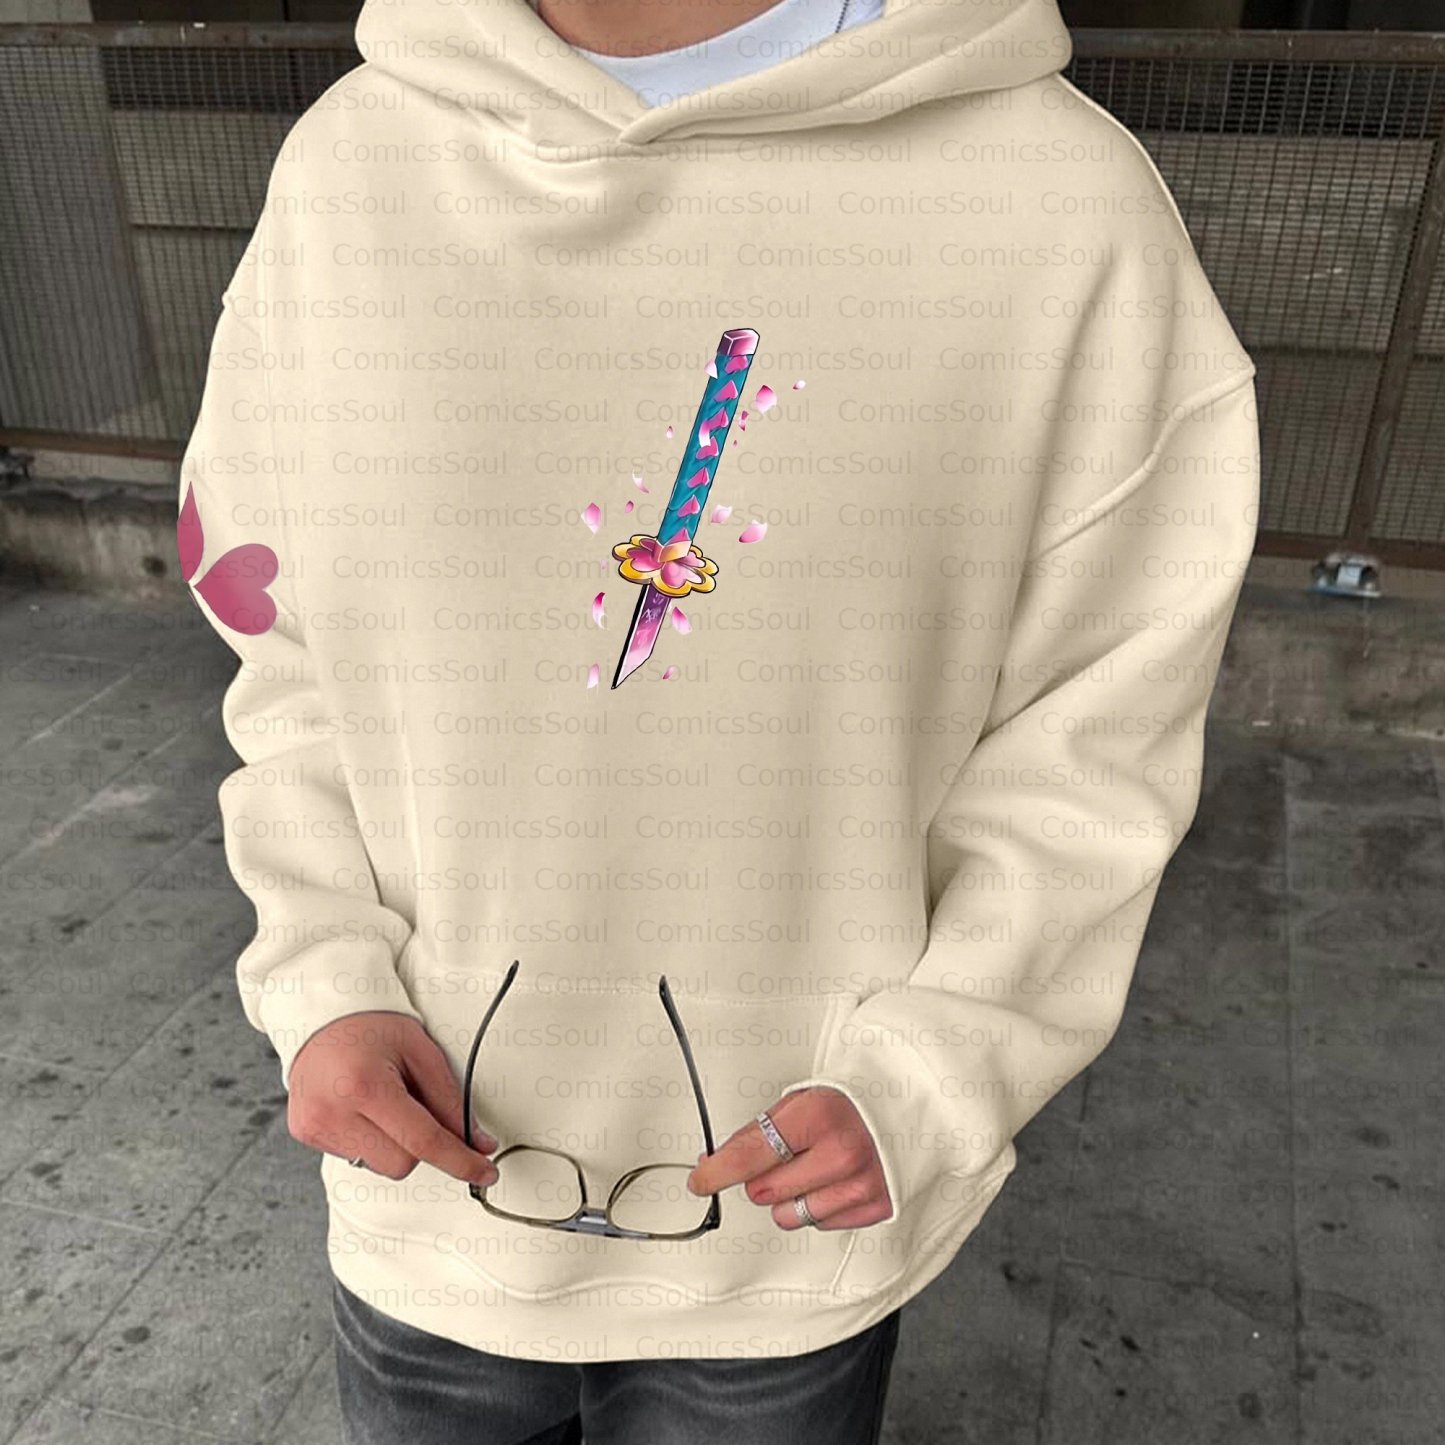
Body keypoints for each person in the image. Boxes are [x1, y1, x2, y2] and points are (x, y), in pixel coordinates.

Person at [177, 0, 1260, 1440]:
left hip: (784, 1220)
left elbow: (1098, 731)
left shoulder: (1056, 209)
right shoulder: (354, 172)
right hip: (421, 1192)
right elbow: (284, 646)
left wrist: (935, 1070)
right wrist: (322, 978)